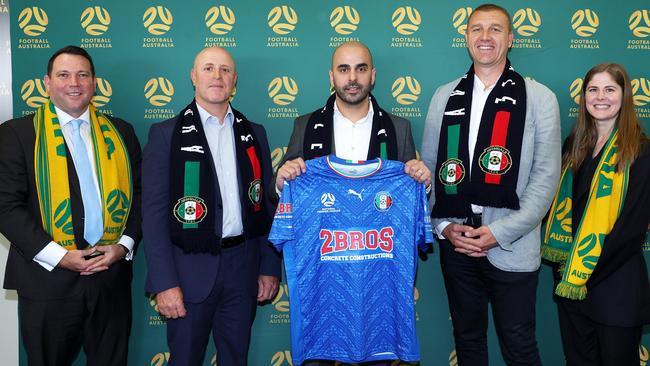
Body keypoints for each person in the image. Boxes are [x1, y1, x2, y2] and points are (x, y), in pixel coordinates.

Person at [421, 4, 561, 365]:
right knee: (468, 342)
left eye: (496, 30)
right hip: (458, 245)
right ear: (467, 38)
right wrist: (444, 226)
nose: (486, 37)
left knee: (520, 346)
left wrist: (500, 232)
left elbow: (545, 180)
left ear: (510, 39)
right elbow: (432, 171)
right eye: (477, 29)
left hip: (512, 246)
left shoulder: (540, 99)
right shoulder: (443, 97)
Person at [0, 45, 142, 366]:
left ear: (94, 83)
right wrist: (61, 257)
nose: (74, 83)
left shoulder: (121, 133)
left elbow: (143, 196)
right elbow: (6, 208)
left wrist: (123, 246)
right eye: (63, 75)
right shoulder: (17, 134)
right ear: (47, 83)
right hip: (47, 281)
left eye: (83, 74)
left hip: (110, 276)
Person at [142, 46, 281, 366]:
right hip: (188, 272)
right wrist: (164, 283)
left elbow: (266, 207)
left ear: (234, 81)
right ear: (193, 76)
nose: (216, 76)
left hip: (242, 269)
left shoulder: (254, 133)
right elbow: (152, 215)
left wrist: (269, 266)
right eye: (208, 68)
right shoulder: (166, 135)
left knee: (236, 359)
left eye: (225, 70)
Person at [542, 63, 650, 365]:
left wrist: (585, 274)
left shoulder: (641, 151)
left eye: (609, 89)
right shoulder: (572, 147)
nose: (600, 97)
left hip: (615, 287)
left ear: (624, 95)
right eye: (593, 89)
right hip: (570, 285)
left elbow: (632, 229)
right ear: (584, 97)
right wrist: (568, 274)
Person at [275, 40, 430, 195]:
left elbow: (411, 193)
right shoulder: (305, 126)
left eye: (361, 69)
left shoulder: (399, 128)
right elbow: (276, 188)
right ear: (331, 77)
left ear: (373, 75)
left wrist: (423, 182)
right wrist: (281, 183)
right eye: (343, 69)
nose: (353, 78)